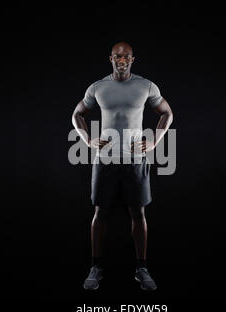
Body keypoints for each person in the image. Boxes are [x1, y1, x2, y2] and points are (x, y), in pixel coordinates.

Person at [72, 41, 173, 291]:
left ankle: (142, 268)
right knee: (100, 213)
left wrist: (155, 141)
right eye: (117, 56)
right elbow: (77, 115)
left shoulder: (145, 85)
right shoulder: (98, 87)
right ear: (111, 59)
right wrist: (87, 139)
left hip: (134, 161)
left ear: (132, 59)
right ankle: (96, 267)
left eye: (126, 56)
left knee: (138, 214)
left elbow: (167, 113)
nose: (122, 59)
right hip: (105, 159)